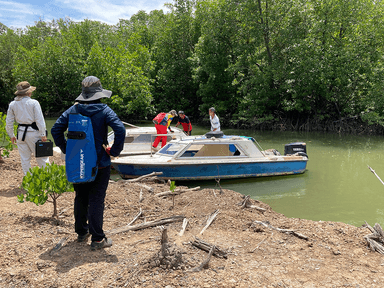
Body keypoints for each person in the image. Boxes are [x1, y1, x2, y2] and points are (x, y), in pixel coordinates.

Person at [51, 76, 125, 250]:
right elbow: (120, 129)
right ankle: (98, 239)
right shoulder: (105, 110)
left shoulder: (73, 109)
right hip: (100, 163)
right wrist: (114, 151)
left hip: (79, 162)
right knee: (97, 200)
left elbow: (55, 129)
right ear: (99, 94)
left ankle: (82, 232)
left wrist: (66, 149)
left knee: (81, 197)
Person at [5, 81, 49, 175]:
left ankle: (28, 181)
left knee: (25, 159)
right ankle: (49, 180)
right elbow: (39, 120)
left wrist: (11, 135)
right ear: (29, 92)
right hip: (34, 133)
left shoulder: (12, 104)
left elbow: (9, 122)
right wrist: (43, 134)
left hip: (20, 134)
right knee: (42, 157)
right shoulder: (33, 103)